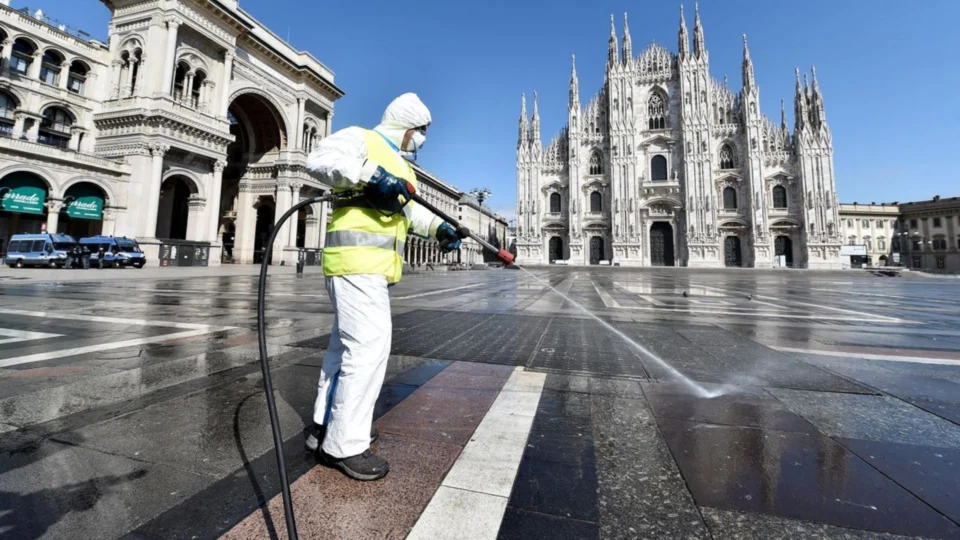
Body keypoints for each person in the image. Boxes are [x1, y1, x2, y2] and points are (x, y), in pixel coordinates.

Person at [303, 93, 462, 481]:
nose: (422, 139)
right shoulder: (361, 139)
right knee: (369, 348)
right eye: (421, 132)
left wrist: (438, 228)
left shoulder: (399, 164)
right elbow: (320, 161)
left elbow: (408, 210)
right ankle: (346, 444)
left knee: (342, 350)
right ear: (406, 127)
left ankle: (325, 424)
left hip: (369, 267)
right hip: (355, 263)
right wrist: (369, 174)